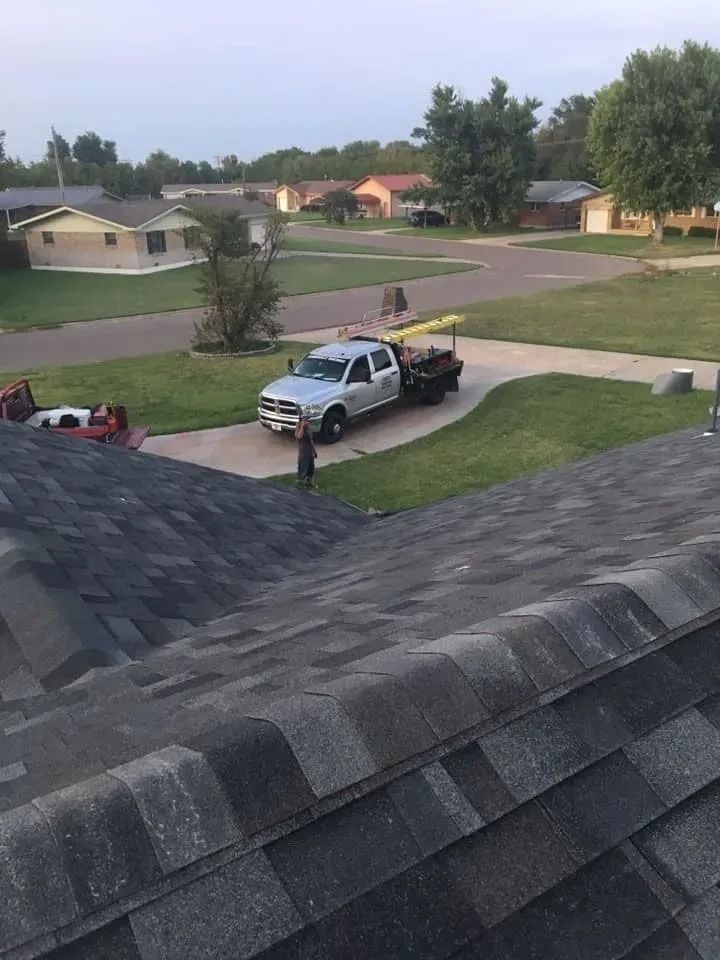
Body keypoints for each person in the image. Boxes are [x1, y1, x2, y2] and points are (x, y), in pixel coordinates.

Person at [295, 416, 317, 488]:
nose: (307, 422)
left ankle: (309, 482)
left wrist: (314, 451)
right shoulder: (298, 430)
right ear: (301, 422)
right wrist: (301, 426)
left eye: (307, 421)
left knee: (311, 469)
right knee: (303, 469)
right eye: (305, 421)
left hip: (309, 453)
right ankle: (300, 484)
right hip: (303, 454)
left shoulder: (309, 430)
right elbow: (299, 437)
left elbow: (311, 441)